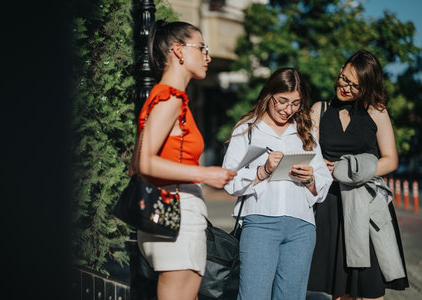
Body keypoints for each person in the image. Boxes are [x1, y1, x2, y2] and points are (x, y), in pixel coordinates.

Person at [135, 20, 237, 300]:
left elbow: (136, 163)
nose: (208, 56)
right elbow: (145, 164)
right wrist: (205, 174)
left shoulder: (161, 97)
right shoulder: (170, 99)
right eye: (202, 48)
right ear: (178, 51)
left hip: (165, 212)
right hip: (178, 214)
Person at [222, 67, 333, 300]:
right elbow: (229, 180)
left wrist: (310, 178)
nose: (287, 110)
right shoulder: (248, 130)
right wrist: (263, 171)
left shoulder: (305, 134)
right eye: (282, 101)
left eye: (295, 103)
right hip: (260, 223)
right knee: (253, 295)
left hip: (302, 227)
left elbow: (323, 182)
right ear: (268, 95)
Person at [308, 49, 409, 300]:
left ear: (367, 86)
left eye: (355, 85)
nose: (346, 87)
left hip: (366, 204)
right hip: (330, 206)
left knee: (371, 291)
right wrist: (321, 168)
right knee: (341, 293)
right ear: (341, 70)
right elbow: (308, 155)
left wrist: (344, 170)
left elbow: (391, 160)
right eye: (344, 78)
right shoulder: (319, 110)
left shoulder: (377, 111)